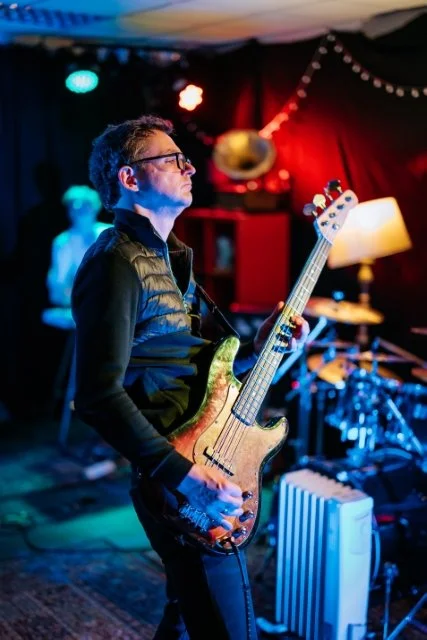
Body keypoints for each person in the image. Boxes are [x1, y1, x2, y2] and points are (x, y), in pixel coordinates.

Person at [71, 114, 309, 640]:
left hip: (200, 464)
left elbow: (204, 371)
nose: (191, 167)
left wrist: (262, 348)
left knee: (187, 621)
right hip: (181, 484)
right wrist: (190, 479)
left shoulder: (171, 258)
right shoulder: (114, 263)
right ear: (129, 178)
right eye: (172, 159)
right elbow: (96, 395)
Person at [46, 184, 111, 307]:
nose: (79, 209)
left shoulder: (111, 234)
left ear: (95, 207)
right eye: (73, 206)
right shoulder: (62, 242)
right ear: (69, 211)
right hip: (78, 304)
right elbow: (58, 283)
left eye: (85, 205)